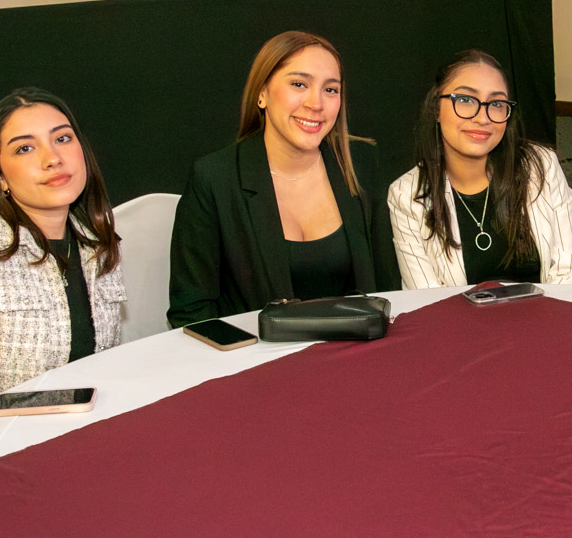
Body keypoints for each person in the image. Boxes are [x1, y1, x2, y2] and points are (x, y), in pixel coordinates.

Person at [0, 89, 124, 437]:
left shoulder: (97, 244)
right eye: (25, 148)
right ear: (0, 177)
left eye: (62, 139)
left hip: (82, 435)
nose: (52, 158)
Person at [167, 31, 400, 326]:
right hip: (255, 352)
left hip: (356, 349)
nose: (316, 103)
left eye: (330, 89)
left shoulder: (361, 163)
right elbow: (191, 311)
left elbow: (388, 289)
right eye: (299, 84)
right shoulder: (214, 178)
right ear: (262, 93)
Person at [388, 50, 572, 287]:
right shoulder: (406, 195)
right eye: (465, 100)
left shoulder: (541, 165)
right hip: (457, 313)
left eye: (496, 104)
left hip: (546, 309)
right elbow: (425, 296)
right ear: (436, 108)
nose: (483, 118)